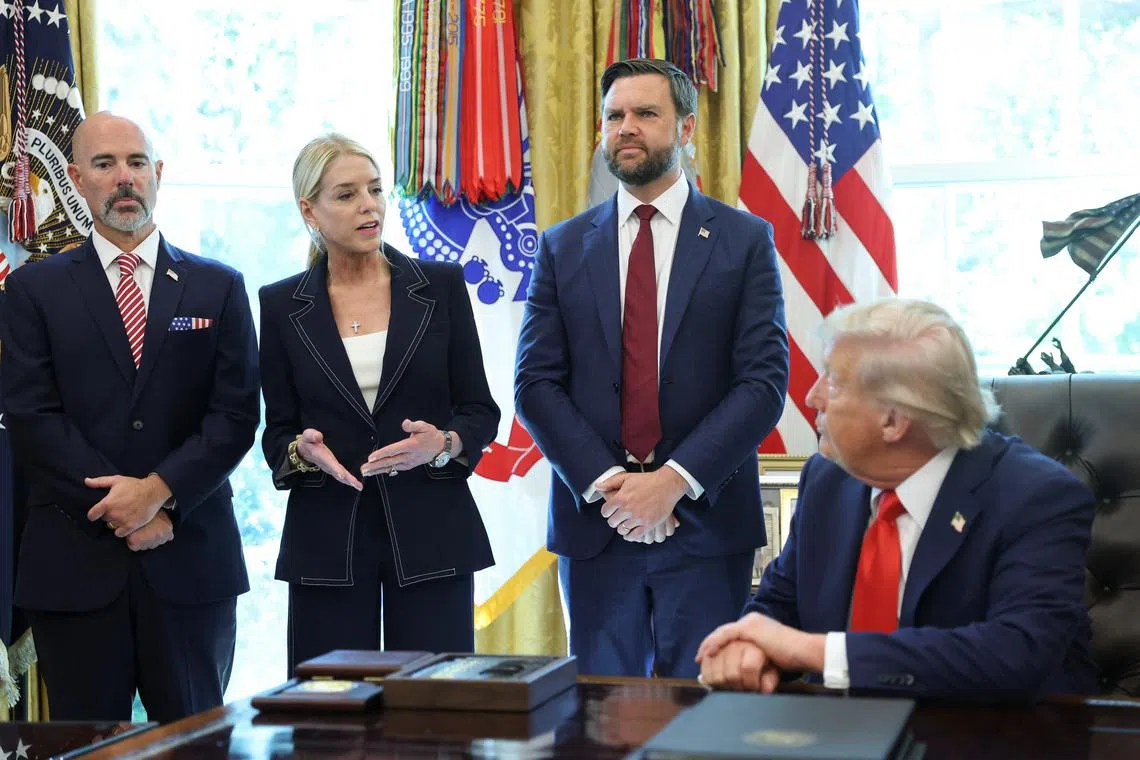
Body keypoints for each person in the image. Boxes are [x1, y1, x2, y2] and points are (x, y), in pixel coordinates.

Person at [515, 58, 789, 678]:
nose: (626, 128)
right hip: (596, 525)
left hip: (704, 524)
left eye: (645, 113)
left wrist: (670, 482)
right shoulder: (561, 247)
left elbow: (763, 383)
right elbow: (535, 384)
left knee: (703, 720)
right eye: (614, 116)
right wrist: (612, 483)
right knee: (601, 719)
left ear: (686, 129)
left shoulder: (745, 240)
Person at [696, 298, 1099, 701]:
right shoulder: (828, 479)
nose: (811, 397)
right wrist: (749, 646)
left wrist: (813, 651)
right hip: (832, 732)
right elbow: (781, 601)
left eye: (833, 382)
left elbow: (1015, 652)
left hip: (986, 736)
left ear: (893, 421)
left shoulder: (1037, 498)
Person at [0, 112, 259, 721]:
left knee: (197, 741)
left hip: (190, 561)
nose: (124, 178)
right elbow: (32, 416)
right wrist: (123, 507)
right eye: (105, 164)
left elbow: (235, 414)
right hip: (74, 563)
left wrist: (161, 495)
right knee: (85, 748)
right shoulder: (34, 290)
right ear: (74, 179)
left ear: (158, 174)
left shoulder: (217, 287)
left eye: (137, 163)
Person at [259, 134, 499, 674]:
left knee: (436, 712)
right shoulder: (279, 305)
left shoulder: (439, 286)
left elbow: (480, 410)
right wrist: (302, 450)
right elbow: (276, 434)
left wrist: (444, 444)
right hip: (327, 538)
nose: (369, 205)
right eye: (346, 195)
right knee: (332, 718)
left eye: (375, 190)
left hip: (433, 530)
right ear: (310, 210)